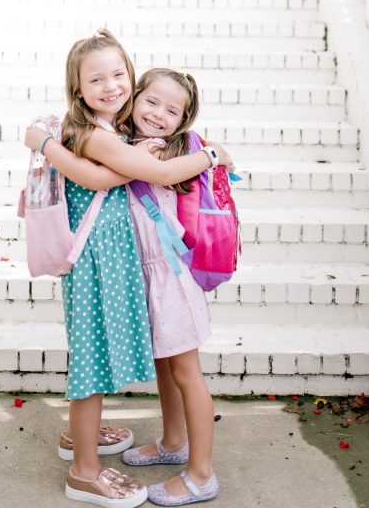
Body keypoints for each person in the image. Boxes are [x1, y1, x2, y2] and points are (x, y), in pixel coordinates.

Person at [25, 30, 230, 508]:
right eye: (97, 78)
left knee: (178, 366)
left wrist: (161, 153)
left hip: (163, 274)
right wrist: (207, 155)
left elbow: (150, 174)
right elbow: (109, 176)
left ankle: (196, 469)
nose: (112, 85)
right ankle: (105, 460)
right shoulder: (101, 136)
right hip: (109, 263)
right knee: (127, 360)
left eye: (119, 75)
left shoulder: (142, 140)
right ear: (77, 87)